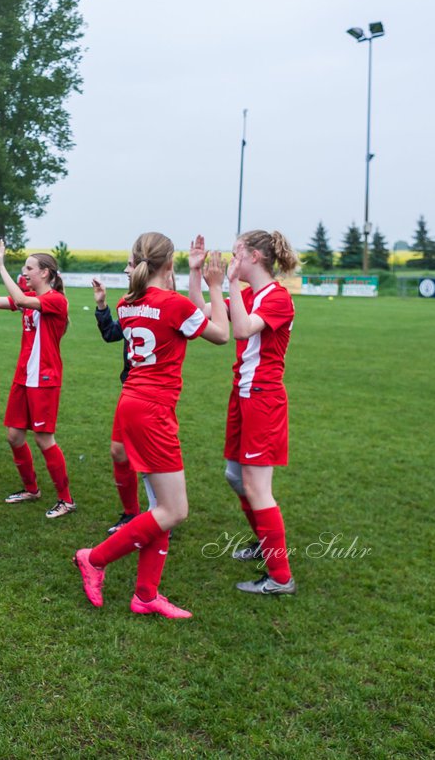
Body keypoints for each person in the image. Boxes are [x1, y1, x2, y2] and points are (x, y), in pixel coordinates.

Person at [74, 232, 230, 619]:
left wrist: (194, 276)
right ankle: (94, 558)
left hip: (134, 401)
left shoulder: (128, 303)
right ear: (168, 264)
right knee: (175, 510)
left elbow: (186, 316)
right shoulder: (171, 304)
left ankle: (145, 595)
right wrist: (214, 286)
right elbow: (222, 334)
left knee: (160, 506)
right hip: (153, 410)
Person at [189, 231, 299, 596]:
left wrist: (230, 282)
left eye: (236, 253)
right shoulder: (250, 293)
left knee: (255, 485)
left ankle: (281, 578)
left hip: (263, 398)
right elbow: (199, 315)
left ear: (254, 256)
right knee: (235, 476)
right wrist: (196, 275)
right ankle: (263, 544)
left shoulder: (278, 297)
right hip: (243, 395)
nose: (230, 259)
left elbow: (240, 330)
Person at [0, 241, 76, 519]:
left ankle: (65, 499)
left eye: (29, 268)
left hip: (44, 378)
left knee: (45, 440)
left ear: (45, 273)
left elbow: (20, 300)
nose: (26, 272)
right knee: (14, 436)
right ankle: (31, 489)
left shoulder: (55, 300)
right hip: (24, 378)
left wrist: (0, 266)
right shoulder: (32, 298)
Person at [92, 256, 143, 534]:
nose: (126, 270)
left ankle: (164, 516)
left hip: (153, 394)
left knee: (150, 460)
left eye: (131, 264)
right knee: (119, 452)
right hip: (130, 388)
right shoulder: (128, 303)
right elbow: (112, 334)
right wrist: (102, 305)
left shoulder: (163, 302)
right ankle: (130, 514)